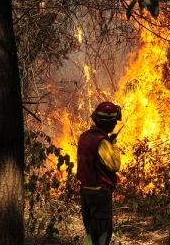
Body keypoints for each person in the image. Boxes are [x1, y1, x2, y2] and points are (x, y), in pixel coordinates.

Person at [76, 101, 122, 245]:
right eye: (114, 121)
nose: (115, 125)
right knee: (102, 235)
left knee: (91, 233)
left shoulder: (84, 136)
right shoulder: (102, 142)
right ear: (106, 123)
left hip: (86, 191)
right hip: (99, 193)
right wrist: (113, 144)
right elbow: (115, 165)